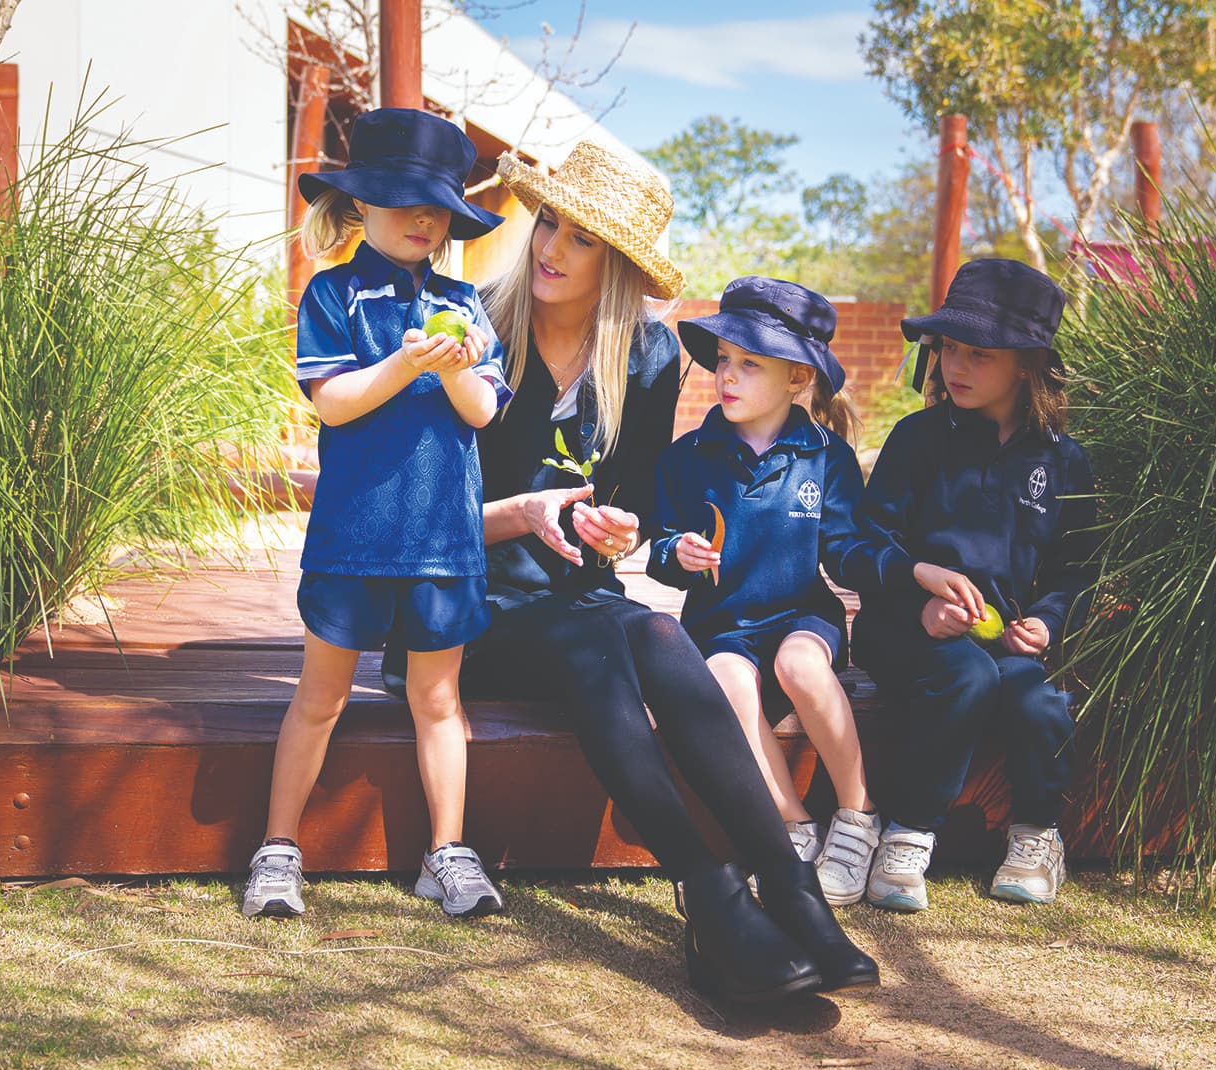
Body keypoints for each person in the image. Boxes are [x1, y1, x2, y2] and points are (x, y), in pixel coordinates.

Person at [463, 143, 876, 1001]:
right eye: (550, 224)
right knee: (591, 652)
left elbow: (637, 503)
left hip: (576, 592)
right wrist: (523, 514)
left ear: (614, 265)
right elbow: (427, 520)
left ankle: (787, 883)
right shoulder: (476, 331)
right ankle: (710, 893)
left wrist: (619, 529)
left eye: (581, 239)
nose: (550, 249)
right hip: (475, 598)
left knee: (652, 627)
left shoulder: (646, 356)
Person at [243, 108, 510, 920]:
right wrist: (403, 361)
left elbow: (482, 415)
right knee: (319, 699)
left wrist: (458, 367)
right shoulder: (333, 294)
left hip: (444, 545)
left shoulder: (466, 303)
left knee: (439, 703)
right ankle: (279, 850)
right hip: (354, 540)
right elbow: (333, 403)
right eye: (402, 202)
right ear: (360, 206)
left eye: (437, 208)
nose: (423, 220)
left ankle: (448, 854)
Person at [842, 258, 1099, 912]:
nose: (954, 365)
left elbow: (1078, 568)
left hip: (999, 646)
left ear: (1027, 363)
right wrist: (916, 589)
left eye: (977, 353)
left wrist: (1046, 618)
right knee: (966, 676)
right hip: (902, 633)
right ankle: (907, 834)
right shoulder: (916, 440)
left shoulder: (1064, 461)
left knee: (1040, 701)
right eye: (949, 348)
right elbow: (856, 546)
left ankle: (1037, 837)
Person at [647, 277, 883, 908]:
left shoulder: (826, 457)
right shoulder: (687, 458)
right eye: (724, 360)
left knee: (800, 663)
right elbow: (662, 547)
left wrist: (891, 570)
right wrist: (680, 554)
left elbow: (843, 546)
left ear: (797, 379)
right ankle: (792, 825)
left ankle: (858, 818)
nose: (728, 376)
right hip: (723, 623)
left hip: (803, 614)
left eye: (750, 364)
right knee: (726, 679)